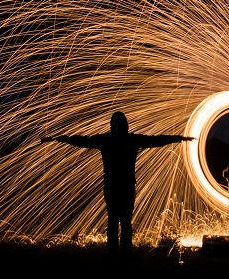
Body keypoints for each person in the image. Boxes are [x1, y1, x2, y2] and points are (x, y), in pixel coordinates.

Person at [41, 111, 194, 259]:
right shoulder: (131, 140)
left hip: (112, 186)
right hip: (125, 186)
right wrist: (179, 138)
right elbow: (156, 140)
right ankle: (125, 253)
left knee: (113, 220)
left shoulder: (106, 140)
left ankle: (114, 253)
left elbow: (81, 140)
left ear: (111, 125)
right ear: (125, 125)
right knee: (125, 221)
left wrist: (57, 139)